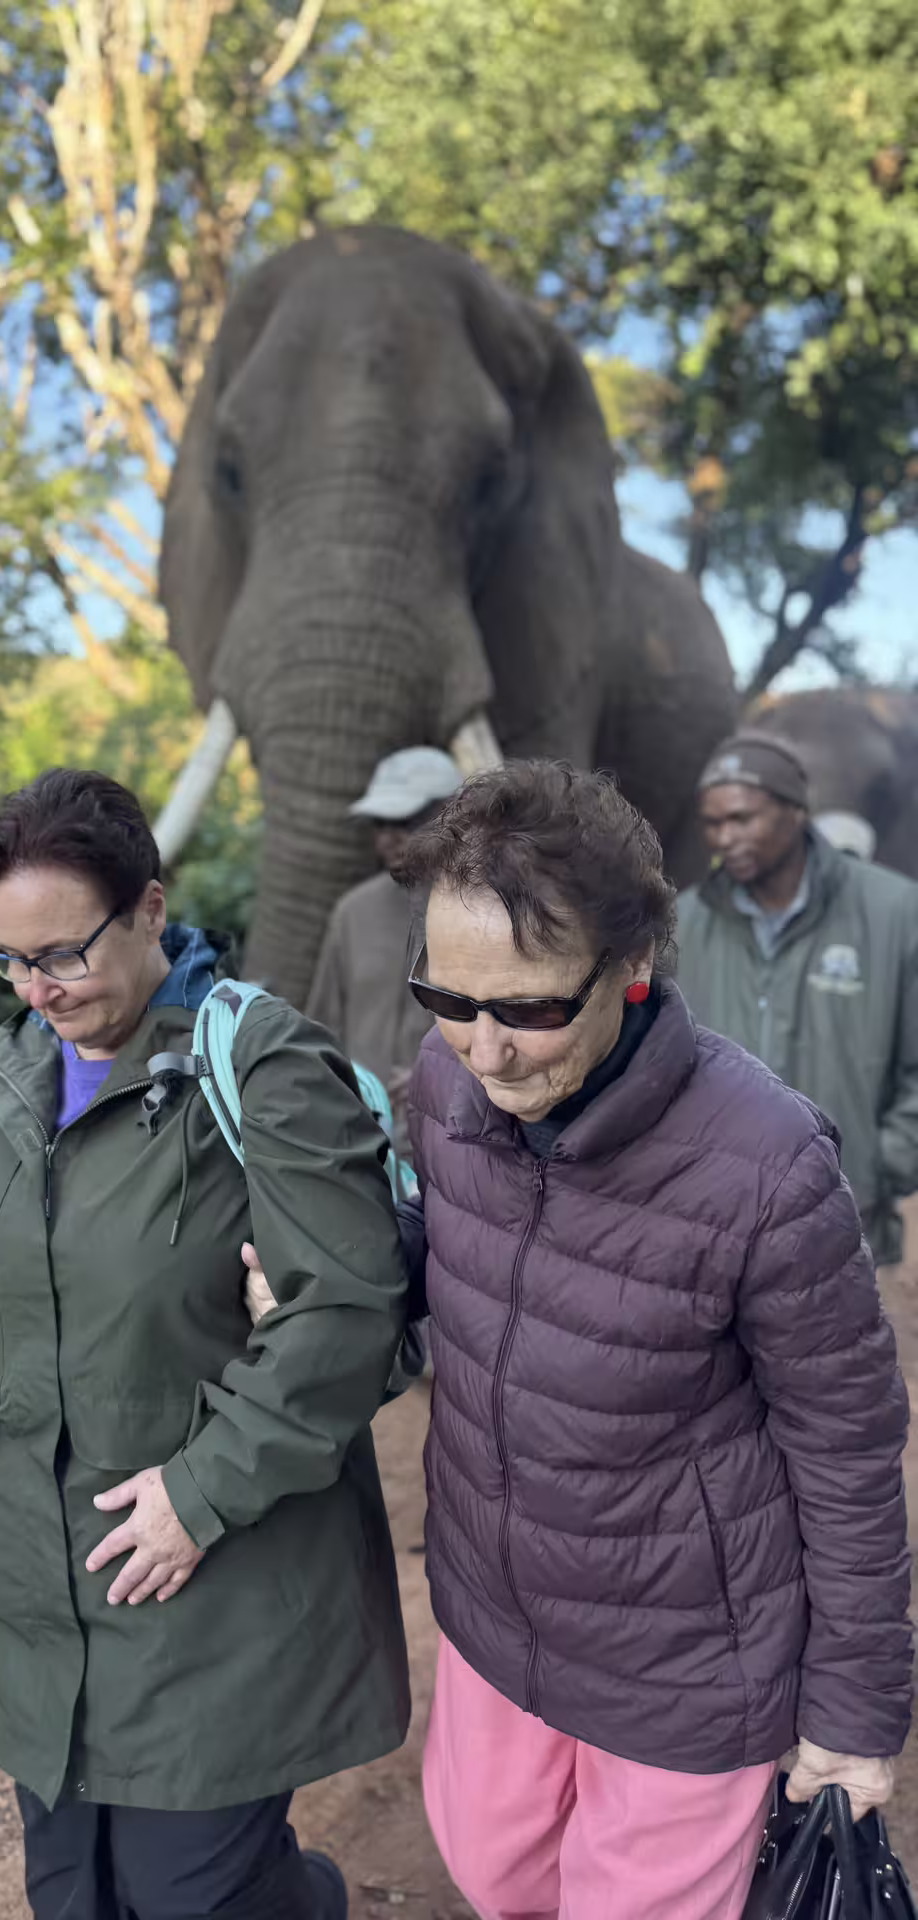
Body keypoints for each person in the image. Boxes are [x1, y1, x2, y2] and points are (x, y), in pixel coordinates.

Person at [243, 761, 910, 1920]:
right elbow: (438, 1248)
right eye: (448, 1001)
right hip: (496, 1611)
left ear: (634, 967)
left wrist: (855, 1717)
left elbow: (847, 1454)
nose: (485, 1051)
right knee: (497, 1870)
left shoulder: (769, 1166)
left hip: (688, 1658)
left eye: (531, 1009)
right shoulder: (449, 1091)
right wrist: (328, 1285)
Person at [0, 769, 410, 1920]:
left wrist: (200, 1494)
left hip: (211, 1581)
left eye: (63, 952)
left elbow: (347, 1310)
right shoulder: (11, 1071)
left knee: (191, 1899)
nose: (37, 987)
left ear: (152, 908)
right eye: (10, 960)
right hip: (36, 1577)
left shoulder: (261, 1070)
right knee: (71, 1894)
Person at [676, 730, 918, 1264]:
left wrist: (879, 1167)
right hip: (713, 1215)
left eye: (743, 819)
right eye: (713, 824)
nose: (725, 838)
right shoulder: (687, 922)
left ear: (796, 811)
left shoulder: (896, 914)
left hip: (840, 1219)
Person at [307, 747, 464, 1153]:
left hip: (462, 1144)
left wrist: (447, 1079)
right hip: (363, 1149)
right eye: (381, 822)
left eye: (406, 820)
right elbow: (323, 1032)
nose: (390, 837)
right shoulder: (353, 913)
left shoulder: (485, 913)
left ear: (452, 815)